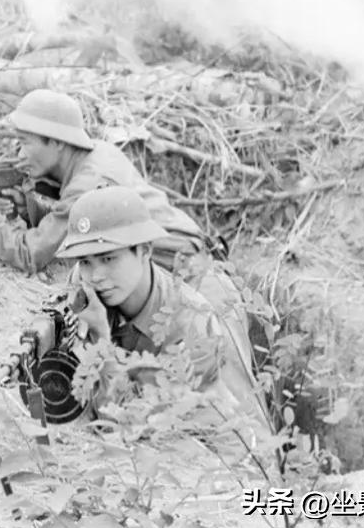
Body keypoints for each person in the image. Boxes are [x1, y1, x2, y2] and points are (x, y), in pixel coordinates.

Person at [42, 186, 272, 445]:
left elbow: (125, 426)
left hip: (210, 445)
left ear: (145, 250)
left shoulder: (191, 324)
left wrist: (101, 337)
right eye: (85, 261)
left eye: (108, 259)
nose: (95, 275)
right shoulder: (85, 286)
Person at [0, 89, 209, 278]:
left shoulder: (88, 185)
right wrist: (27, 209)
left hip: (182, 266)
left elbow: (30, 255)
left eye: (25, 142)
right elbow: (79, 225)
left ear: (57, 142)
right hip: (185, 250)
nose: (19, 154)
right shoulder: (97, 152)